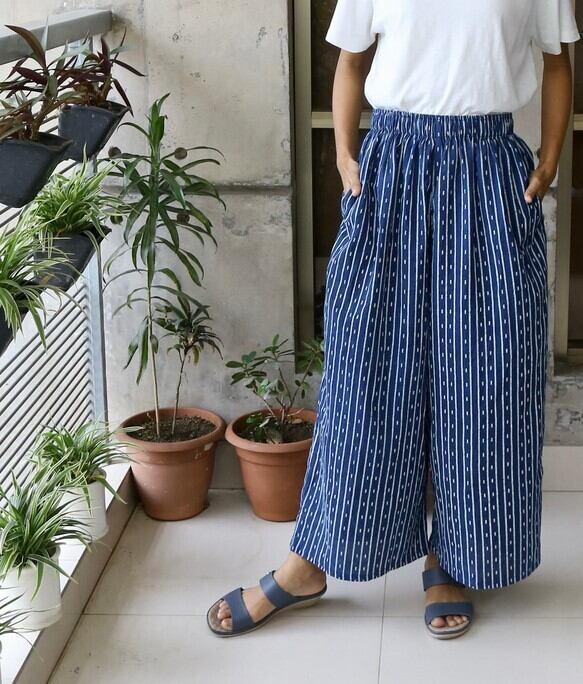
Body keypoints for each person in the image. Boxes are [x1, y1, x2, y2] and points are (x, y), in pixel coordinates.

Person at [207, 0, 580, 639]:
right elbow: (351, 62)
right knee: (366, 377)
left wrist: (548, 161)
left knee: (486, 383)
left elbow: (557, 61)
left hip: (489, 174)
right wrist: (344, 156)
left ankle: (454, 558)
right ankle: (308, 564)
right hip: (391, 173)